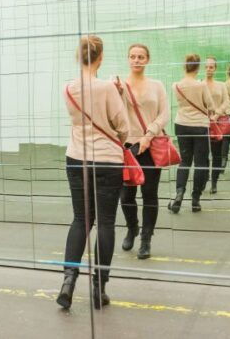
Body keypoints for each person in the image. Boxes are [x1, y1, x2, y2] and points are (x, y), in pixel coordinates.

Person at [57, 35, 129, 311]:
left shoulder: (68, 88)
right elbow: (122, 127)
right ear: (100, 58)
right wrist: (118, 95)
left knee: (80, 219)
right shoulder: (107, 88)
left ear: (79, 56)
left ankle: (68, 282)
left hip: (76, 158)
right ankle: (99, 287)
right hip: (107, 161)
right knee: (106, 222)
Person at [117, 44, 169, 260]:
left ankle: (146, 239)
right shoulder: (119, 85)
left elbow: (164, 113)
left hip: (151, 145)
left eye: (140, 57)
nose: (136, 60)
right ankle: (132, 228)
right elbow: (115, 114)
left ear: (147, 60)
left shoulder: (157, 86)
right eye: (132, 56)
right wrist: (118, 92)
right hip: (127, 147)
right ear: (128, 59)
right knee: (126, 195)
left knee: (149, 194)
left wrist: (149, 135)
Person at [170, 54, 215, 214]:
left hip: (181, 124)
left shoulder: (175, 85)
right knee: (200, 163)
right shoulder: (201, 85)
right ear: (197, 67)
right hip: (200, 126)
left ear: (185, 66)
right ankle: (195, 199)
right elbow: (210, 105)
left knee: (184, 161)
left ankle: (179, 193)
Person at [205, 57, 229, 190]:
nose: (208, 69)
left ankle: (214, 181)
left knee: (216, 154)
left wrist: (217, 114)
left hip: (217, 123)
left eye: (211, 67)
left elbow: (226, 101)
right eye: (206, 67)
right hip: (203, 123)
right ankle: (204, 178)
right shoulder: (199, 84)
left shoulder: (221, 85)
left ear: (215, 69)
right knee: (202, 154)